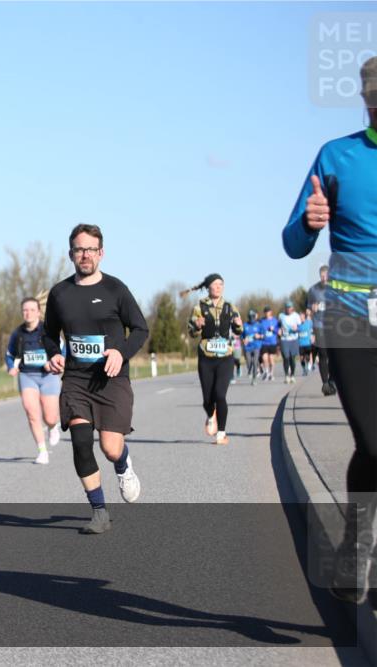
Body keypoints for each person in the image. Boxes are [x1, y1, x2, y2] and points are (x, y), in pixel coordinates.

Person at [282, 56, 377, 604]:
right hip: (348, 313)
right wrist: (310, 222)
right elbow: (293, 242)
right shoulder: (336, 156)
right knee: (374, 440)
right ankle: (358, 545)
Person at [43, 224, 148, 534]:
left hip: (111, 380)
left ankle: (123, 465)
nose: (85, 254)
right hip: (76, 380)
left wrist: (121, 352)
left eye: (90, 249)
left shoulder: (116, 290)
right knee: (80, 444)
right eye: (79, 249)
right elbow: (49, 334)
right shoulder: (60, 293)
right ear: (70, 254)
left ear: (101, 253)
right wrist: (53, 353)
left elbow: (140, 329)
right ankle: (99, 512)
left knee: (111, 448)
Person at [187, 274, 243, 445]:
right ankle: (211, 415)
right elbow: (191, 331)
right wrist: (197, 325)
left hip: (225, 356)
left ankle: (221, 433)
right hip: (206, 356)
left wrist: (239, 324)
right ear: (208, 287)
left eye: (221, 285)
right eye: (214, 285)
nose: (218, 288)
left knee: (220, 394)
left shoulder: (229, 306)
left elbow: (239, 330)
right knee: (207, 398)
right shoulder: (199, 307)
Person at [6, 295, 62, 464]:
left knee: (50, 417)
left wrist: (52, 363)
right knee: (32, 413)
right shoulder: (18, 334)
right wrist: (11, 367)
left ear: (38, 312)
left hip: (48, 376)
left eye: (32, 310)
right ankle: (42, 451)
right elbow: (9, 354)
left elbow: (63, 350)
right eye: (25, 310)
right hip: (27, 375)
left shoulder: (48, 330)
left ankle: (53, 427)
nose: (28, 313)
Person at [307, 265, 337, 395]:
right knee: (323, 354)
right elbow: (307, 310)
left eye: (326, 275)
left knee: (335, 355)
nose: (324, 278)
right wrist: (311, 309)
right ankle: (325, 383)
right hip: (319, 324)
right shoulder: (313, 290)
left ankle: (332, 380)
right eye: (322, 275)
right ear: (320, 276)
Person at [278, 301, 303, 384]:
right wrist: (278, 330)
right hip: (284, 339)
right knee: (286, 357)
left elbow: (300, 327)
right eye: (287, 307)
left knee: (292, 358)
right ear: (285, 308)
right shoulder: (281, 316)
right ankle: (286, 376)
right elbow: (277, 326)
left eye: (290, 307)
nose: (288, 309)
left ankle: (292, 375)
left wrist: (296, 329)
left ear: (292, 308)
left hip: (294, 339)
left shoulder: (296, 316)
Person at [259, 306, 279, 381]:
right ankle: (266, 372)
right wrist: (260, 335)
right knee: (264, 358)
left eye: (268, 312)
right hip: (264, 342)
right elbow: (258, 329)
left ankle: (271, 373)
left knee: (271, 359)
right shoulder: (261, 321)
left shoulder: (275, 321)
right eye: (265, 312)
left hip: (272, 342)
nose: (267, 313)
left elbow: (278, 331)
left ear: (271, 312)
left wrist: (274, 329)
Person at [243, 309, 263, 386]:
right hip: (247, 347)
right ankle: (250, 371)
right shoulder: (245, 325)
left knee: (255, 362)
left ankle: (254, 379)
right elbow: (242, 335)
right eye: (250, 317)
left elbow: (263, 335)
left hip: (256, 346)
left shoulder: (259, 325)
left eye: (253, 317)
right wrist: (244, 340)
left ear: (255, 317)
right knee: (249, 362)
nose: (252, 318)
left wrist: (259, 336)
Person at [298, 309, 314, 376]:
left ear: (304, 316)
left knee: (307, 356)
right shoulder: (298, 325)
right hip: (301, 344)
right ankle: (304, 369)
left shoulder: (309, 322)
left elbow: (313, 329)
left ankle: (308, 366)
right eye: (300, 317)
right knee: (301, 358)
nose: (301, 318)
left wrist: (313, 336)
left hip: (308, 343)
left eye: (302, 316)